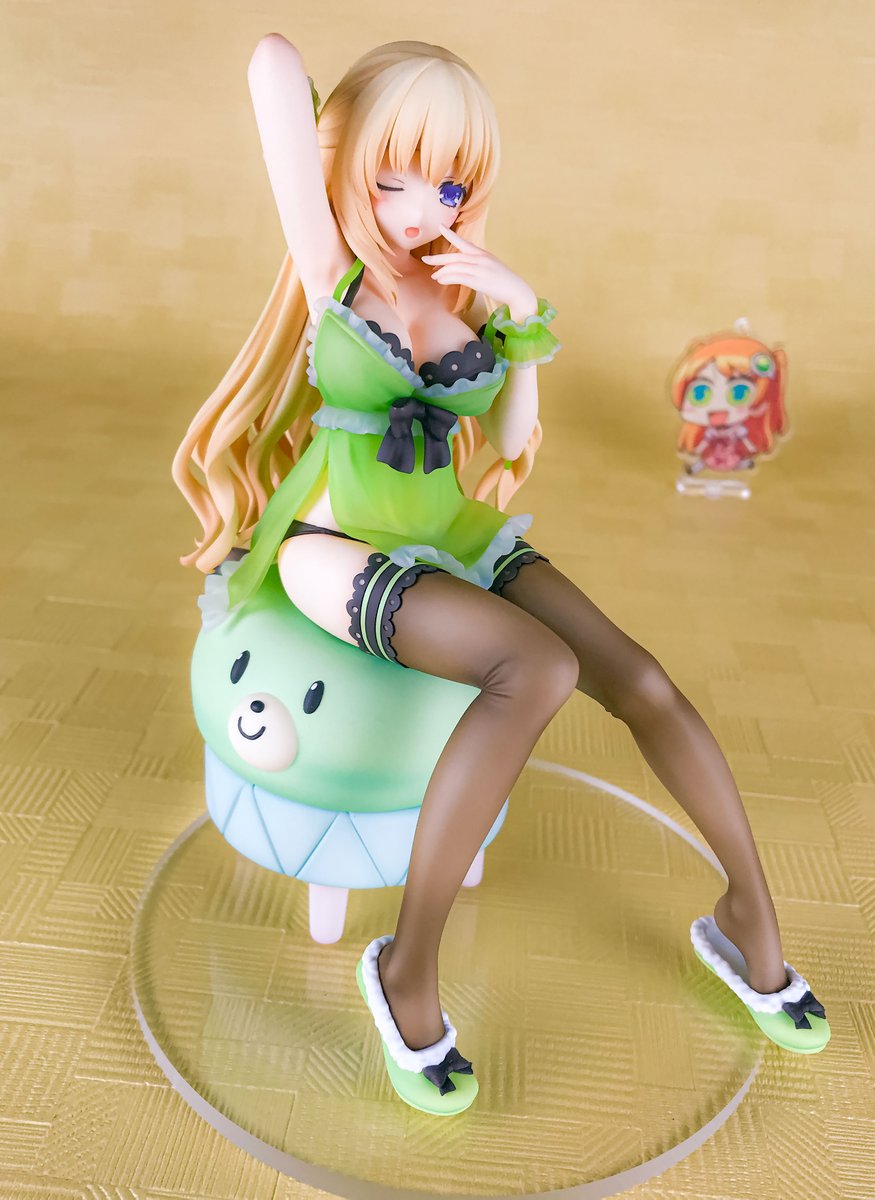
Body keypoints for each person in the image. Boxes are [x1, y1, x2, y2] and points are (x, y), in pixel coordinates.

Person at [173, 36, 827, 1115]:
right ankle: (407, 968)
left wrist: (521, 319)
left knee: (640, 678)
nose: (418, 207)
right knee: (539, 667)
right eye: (391, 176)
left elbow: (513, 441)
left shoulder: (465, 295)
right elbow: (271, 72)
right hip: (334, 544)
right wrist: (342, 132)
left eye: (447, 183)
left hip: (453, 528)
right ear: (351, 167)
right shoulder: (332, 268)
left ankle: (750, 914)